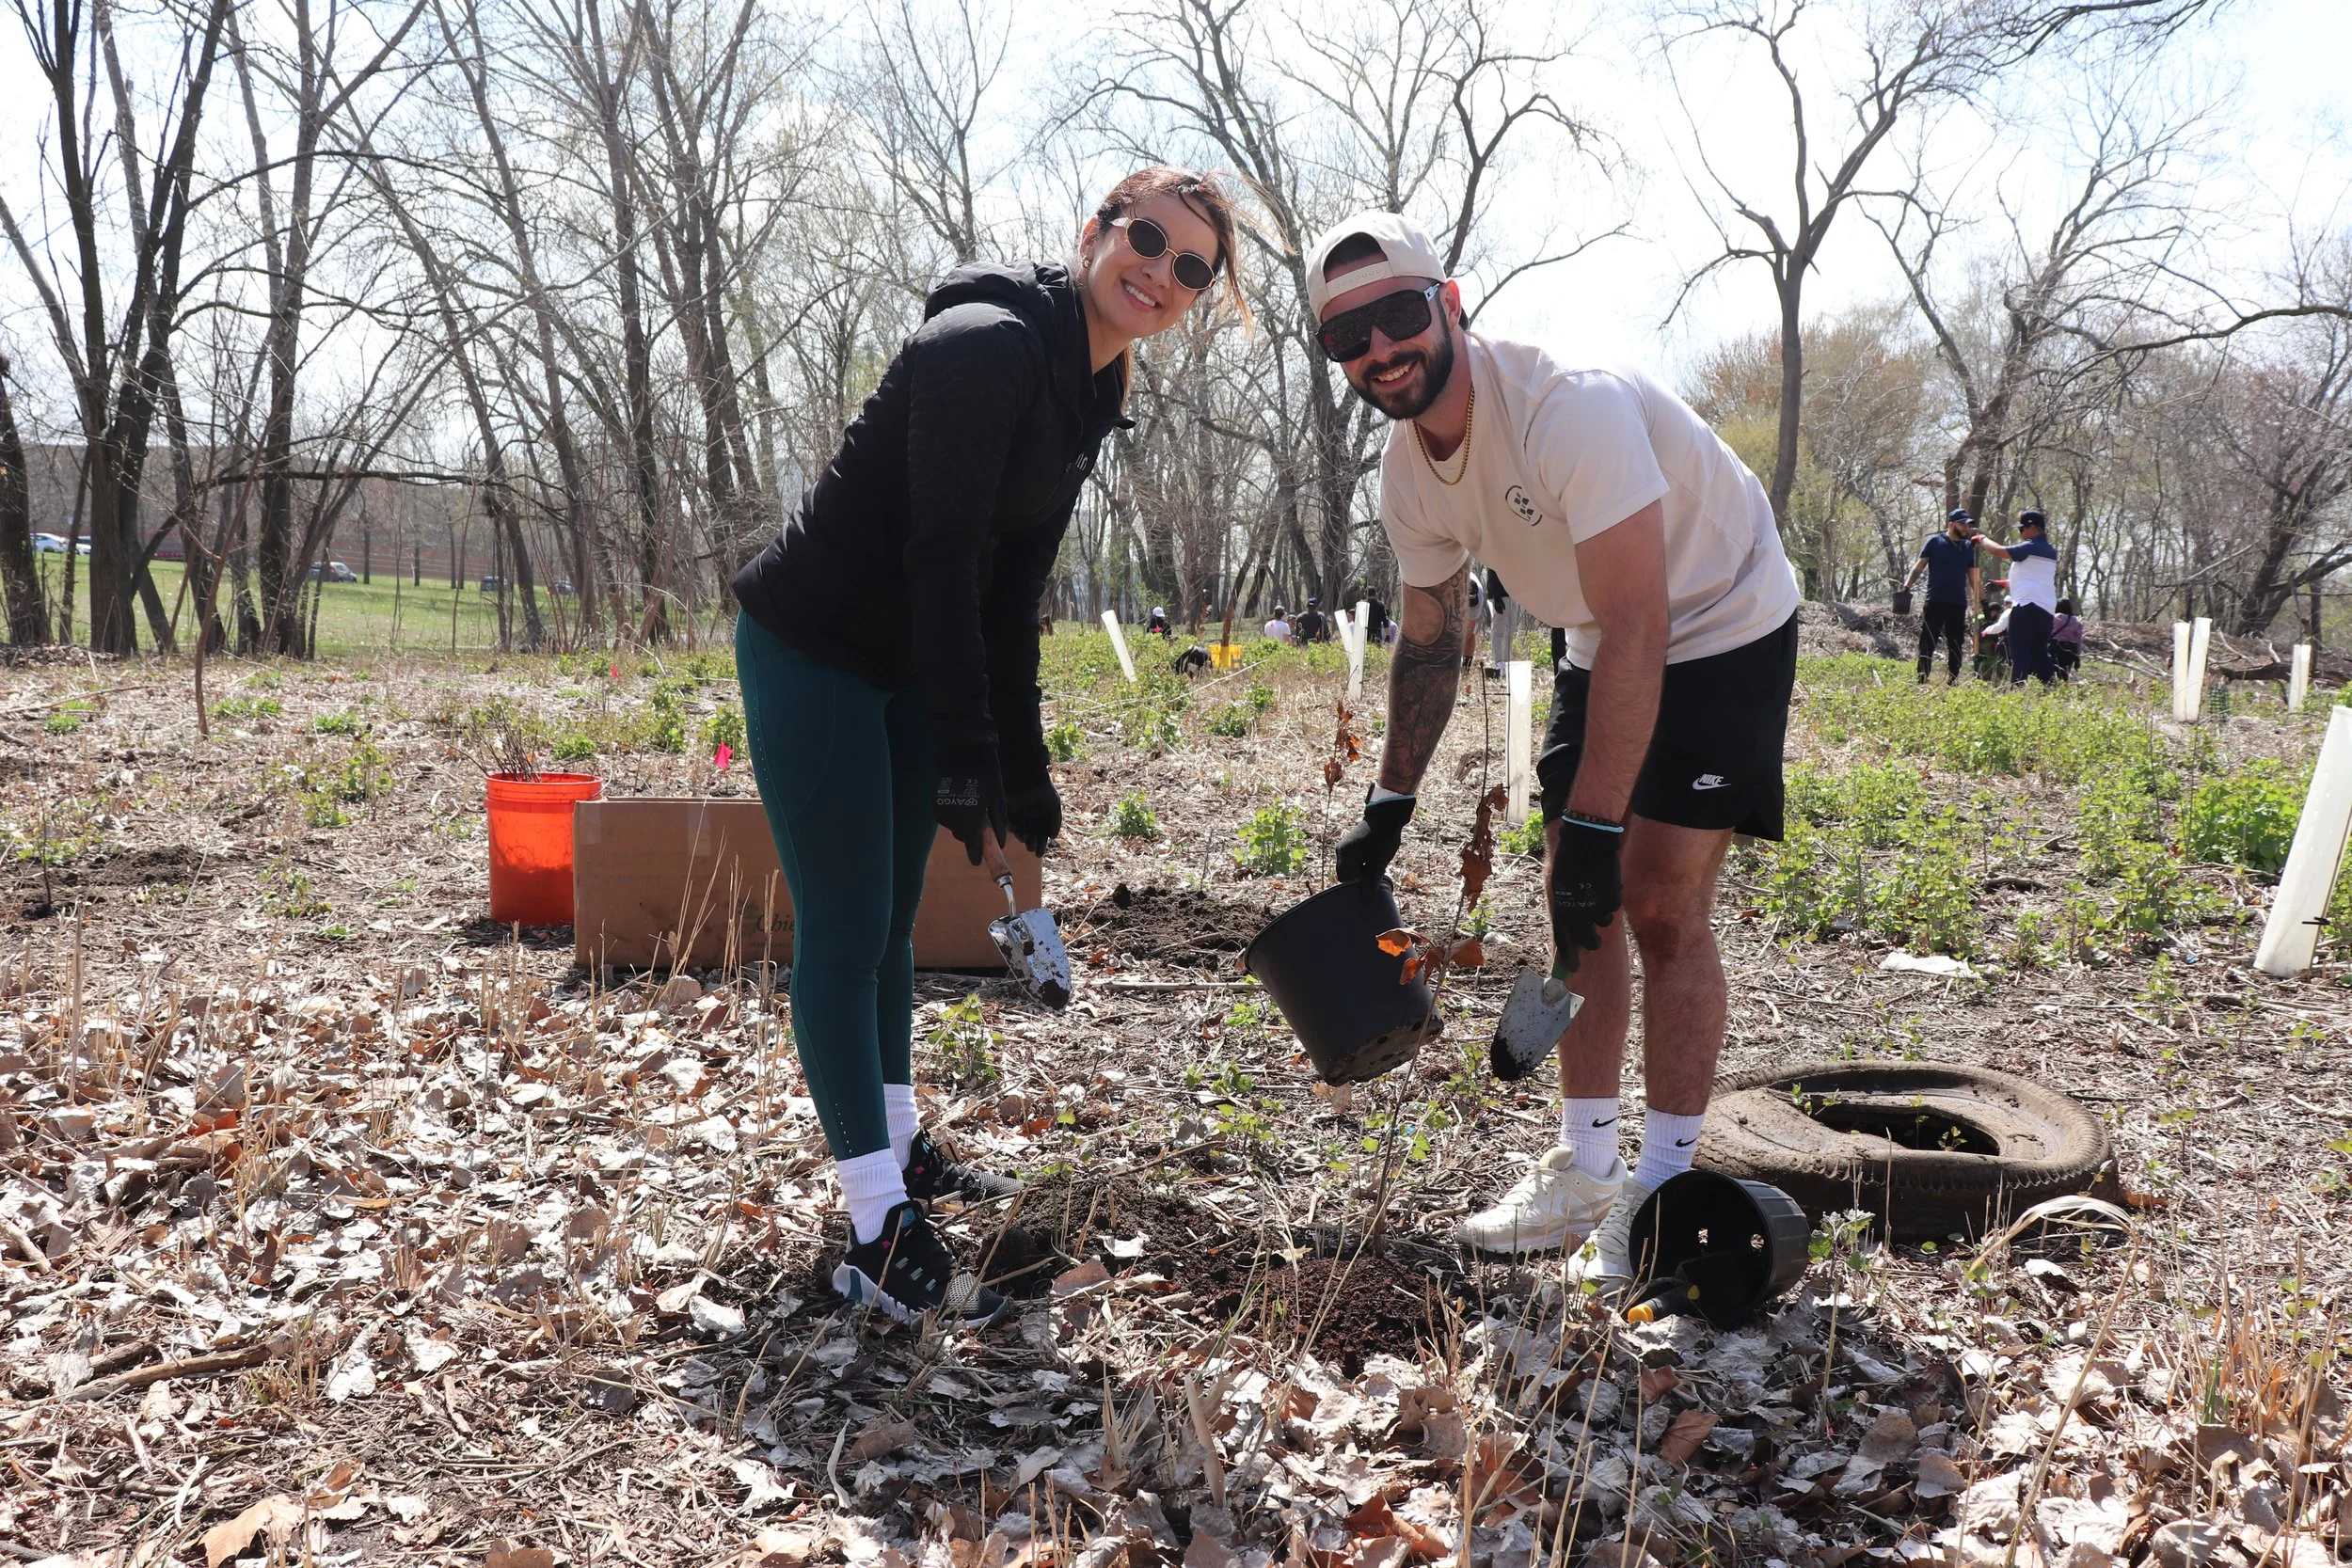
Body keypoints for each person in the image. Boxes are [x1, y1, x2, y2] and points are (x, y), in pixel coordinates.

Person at [729, 166, 1247, 1325]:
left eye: (1191, 267)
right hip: (814, 645)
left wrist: (1020, 765)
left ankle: (903, 1154)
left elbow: (1012, 589)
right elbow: (944, 555)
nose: (1160, 273)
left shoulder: (1091, 387)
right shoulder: (986, 345)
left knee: (898, 919)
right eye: (1147, 240)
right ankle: (874, 1226)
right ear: (1095, 231)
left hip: (912, 657)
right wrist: (963, 740)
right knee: (847, 927)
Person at [1311, 211, 1802, 1278]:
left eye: (1397, 315)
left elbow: (1646, 621)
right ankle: (1584, 1169)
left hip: (1719, 615)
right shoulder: (1406, 469)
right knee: (1577, 901)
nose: (1378, 350)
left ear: (1448, 304)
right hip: (1601, 635)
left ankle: (1661, 1189)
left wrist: (1593, 822)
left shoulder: (1565, 405)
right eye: (1347, 338)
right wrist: (1387, 804)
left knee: (1659, 901)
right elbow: (1436, 637)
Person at [1973, 510, 2059, 684]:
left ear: (2033, 528)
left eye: (2022, 529)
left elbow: (1998, 550)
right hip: (2046, 611)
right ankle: (2050, 688)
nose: (2020, 533)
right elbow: (2033, 578)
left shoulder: (2030, 546)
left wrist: (1982, 539)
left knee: (2019, 652)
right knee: (2040, 653)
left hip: (2026, 607)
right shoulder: (2050, 551)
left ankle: (2017, 691)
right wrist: (2004, 584)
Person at [1903, 510, 1980, 685]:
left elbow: (1973, 578)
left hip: (1958, 603)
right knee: (1928, 641)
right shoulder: (1934, 542)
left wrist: (1982, 601)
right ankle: (1922, 678)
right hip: (1935, 601)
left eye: (1968, 524)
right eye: (1962, 524)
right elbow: (1919, 566)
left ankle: (1953, 679)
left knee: (1956, 642)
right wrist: (1907, 587)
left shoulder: (1968, 548)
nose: (1966, 527)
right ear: (1951, 523)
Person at [2051, 596, 2084, 680]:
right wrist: (2077, 655)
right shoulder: (2076, 621)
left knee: (2050, 672)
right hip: (2070, 649)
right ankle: (2063, 689)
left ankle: (2050, 688)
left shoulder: (2054, 618)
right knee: (2064, 674)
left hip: (2054, 647)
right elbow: (2078, 640)